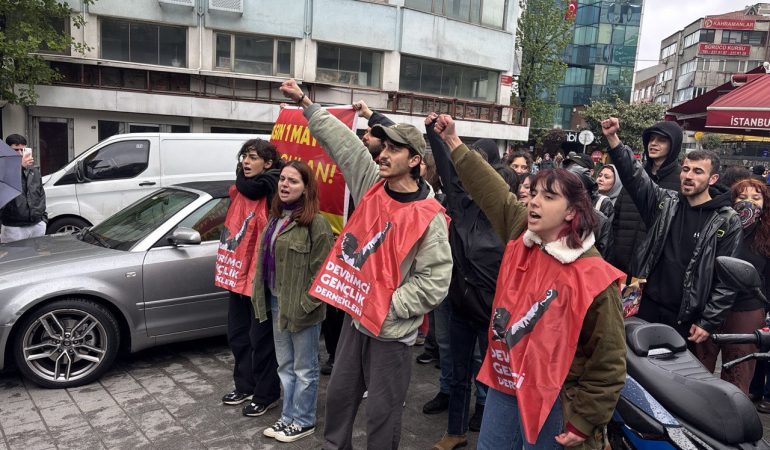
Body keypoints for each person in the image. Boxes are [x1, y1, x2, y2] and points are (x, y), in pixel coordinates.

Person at [434, 114, 626, 450]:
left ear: (571, 212)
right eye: (533, 193)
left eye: (548, 197)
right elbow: (491, 189)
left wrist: (584, 422)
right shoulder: (523, 232)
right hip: (507, 383)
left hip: (556, 398)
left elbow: (608, 362)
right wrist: (452, 141)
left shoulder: (593, 276)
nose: (534, 201)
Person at [279, 79, 452, 450]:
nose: (383, 154)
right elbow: (342, 144)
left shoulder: (430, 216)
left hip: (390, 334)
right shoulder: (372, 184)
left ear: (416, 160)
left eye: (394, 149)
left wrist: (389, 307)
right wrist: (306, 103)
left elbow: (435, 282)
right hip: (356, 323)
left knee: (382, 414)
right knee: (340, 399)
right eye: (383, 146)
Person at [601, 117, 742, 344]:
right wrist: (613, 139)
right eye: (686, 169)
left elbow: (727, 280)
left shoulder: (726, 220)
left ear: (713, 178)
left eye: (698, 171)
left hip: (684, 317)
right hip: (645, 306)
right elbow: (635, 177)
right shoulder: (666, 202)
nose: (688, 176)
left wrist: (708, 320)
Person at [424, 112, 517, 450]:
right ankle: (456, 431)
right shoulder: (461, 206)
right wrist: (433, 131)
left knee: (496, 378)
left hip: (496, 313)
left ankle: (495, 433)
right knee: (458, 371)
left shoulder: (511, 220)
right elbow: (448, 168)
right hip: (462, 306)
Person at [251, 161, 334, 442]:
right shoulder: (276, 218)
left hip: (302, 309)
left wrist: (306, 305)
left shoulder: (316, 223)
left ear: (307, 188)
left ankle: (304, 419)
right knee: (284, 365)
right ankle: (288, 416)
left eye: (293, 181)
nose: (285, 185)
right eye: (283, 179)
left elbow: (323, 273)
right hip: (277, 304)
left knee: (305, 368)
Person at [217, 139, 282, 417]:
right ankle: (244, 385)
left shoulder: (275, 190)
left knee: (262, 339)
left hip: (261, 278)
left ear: (268, 164)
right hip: (237, 275)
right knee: (238, 336)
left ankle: (267, 394)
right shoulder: (238, 188)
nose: (245, 161)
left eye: (253, 157)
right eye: (244, 155)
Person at [696, 178, 769, 395]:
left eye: (756, 198)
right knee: (700, 365)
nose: (749, 203)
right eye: (742, 197)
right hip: (711, 307)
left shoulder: (765, 236)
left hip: (746, 310)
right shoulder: (719, 224)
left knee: (738, 371)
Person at [608, 121, 682, 274]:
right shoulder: (634, 177)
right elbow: (616, 218)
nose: (653, 144)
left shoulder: (682, 181)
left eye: (661, 140)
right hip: (619, 266)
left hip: (654, 271)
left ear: (674, 145)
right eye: (651, 139)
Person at [1, 134, 47, 243]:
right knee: (14, 259)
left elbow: (41, 194)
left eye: (22, 149)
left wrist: (43, 219)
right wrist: (19, 167)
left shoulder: (33, 171)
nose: (20, 153)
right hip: (13, 227)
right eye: (15, 149)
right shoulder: (3, 168)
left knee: (35, 258)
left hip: (36, 224)